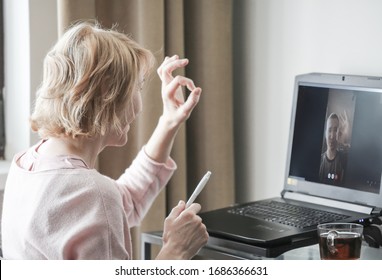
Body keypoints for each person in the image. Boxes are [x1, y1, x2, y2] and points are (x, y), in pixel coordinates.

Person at [1, 22, 208, 260]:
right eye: (137, 87)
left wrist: (169, 121)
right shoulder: (93, 194)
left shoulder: (26, 164)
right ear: (108, 94)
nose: (139, 106)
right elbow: (105, 202)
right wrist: (176, 250)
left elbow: (123, 201)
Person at [319, 113, 346, 185]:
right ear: (325, 133)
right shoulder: (319, 160)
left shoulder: (344, 159)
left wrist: (344, 142)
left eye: (335, 130)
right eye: (329, 130)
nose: (332, 136)